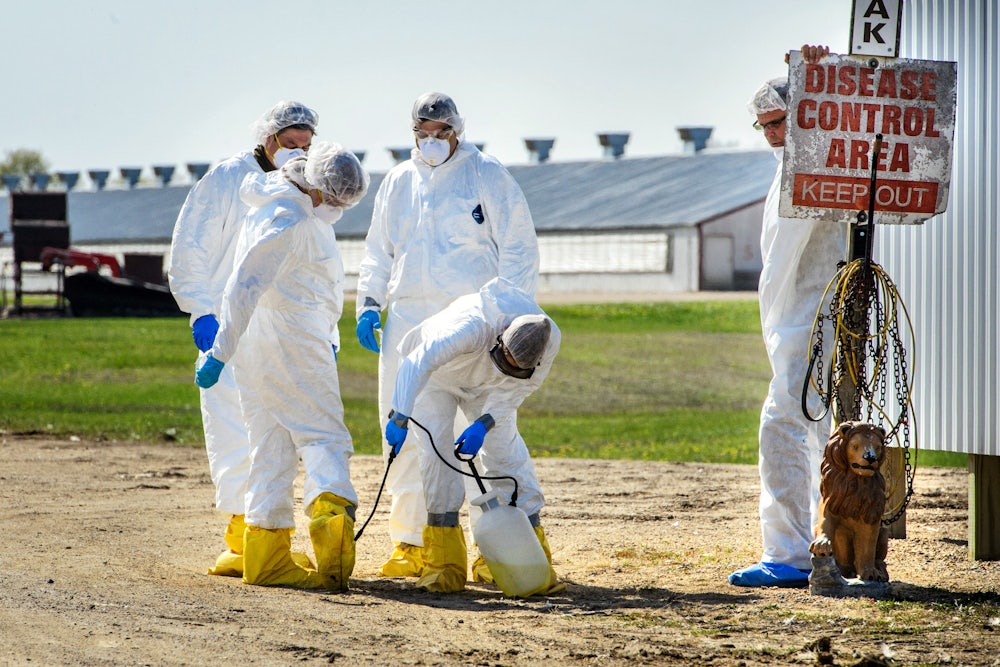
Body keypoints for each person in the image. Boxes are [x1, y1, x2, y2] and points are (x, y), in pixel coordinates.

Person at [355, 92, 539, 578]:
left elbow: (519, 249)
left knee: (487, 435)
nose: (433, 141)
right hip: (409, 325)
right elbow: (379, 250)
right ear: (412, 133)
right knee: (412, 434)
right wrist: (369, 304)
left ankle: (496, 544)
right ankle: (413, 542)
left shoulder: (488, 175)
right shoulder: (397, 181)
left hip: (476, 324)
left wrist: (511, 317)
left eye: (442, 131)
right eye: (423, 132)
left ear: (459, 129)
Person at [194, 142, 369, 590]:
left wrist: (227, 351)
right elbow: (242, 287)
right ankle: (332, 538)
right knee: (324, 437)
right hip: (293, 338)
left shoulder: (274, 203)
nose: (335, 209)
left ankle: (267, 554)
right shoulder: (289, 219)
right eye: (334, 200)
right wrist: (218, 353)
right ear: (317, 186)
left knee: (270, 444)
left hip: (259, 344)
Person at [168, 100, 319, 576]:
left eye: (306, 146)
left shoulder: (299, 184)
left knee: (275, 432)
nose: (297, 153)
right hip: (224, 326)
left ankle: (266, 532)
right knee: (233, 429)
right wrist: (199, 312)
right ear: (269, 138)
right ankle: (242, 538)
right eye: (290, 143)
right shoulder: (224, 180)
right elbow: (189, 248)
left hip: (277, 328)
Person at [729, 45, 848, 588]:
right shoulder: (789, 167)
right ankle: (830, 545)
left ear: (804, 111)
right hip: (794, 322)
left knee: (783, 426)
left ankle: (789, 553)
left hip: (811, 318)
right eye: (765, 127)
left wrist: (823, 76)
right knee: (816, 432)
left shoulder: (821, 155)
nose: (774, 135)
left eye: (780, 121)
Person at [382, 277, 565, 594]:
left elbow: (522, 386)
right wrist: (400, 415)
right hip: (437, 379)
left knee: (508, 458)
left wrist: (485, 422)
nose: (508, 366)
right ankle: (444, 564)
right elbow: (415, 363)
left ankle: (525, 558)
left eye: (514, 367)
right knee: (436, 457)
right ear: (499, 340)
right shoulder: (469, 327)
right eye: (504, 360)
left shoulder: (549, 341)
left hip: (492, 390)